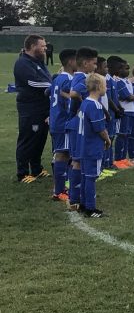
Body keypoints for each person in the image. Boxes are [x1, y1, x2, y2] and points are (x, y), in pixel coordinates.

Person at [13, 34, 52, 183]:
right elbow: (32, 83)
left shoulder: (39, 62)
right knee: (28, 139)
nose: (45, 48)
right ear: (33, 46)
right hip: (30, 108)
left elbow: (47, 79)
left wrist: (53, 82)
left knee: (40, 138)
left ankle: (36, 168)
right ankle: (22, 173)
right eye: (42, 46)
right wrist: (54, 86)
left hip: (43, 107)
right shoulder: (22, 63)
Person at [65, 47, 98, 207]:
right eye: (94, 63)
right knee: (77, 161)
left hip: (77, 124)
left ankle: (77, 196)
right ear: (85, 63)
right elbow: (72, 93)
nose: (95, 66)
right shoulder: (82, 77)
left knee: (79, 160)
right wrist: (82, 105)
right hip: (76, 124)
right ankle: (74, 198)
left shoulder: (81, 76)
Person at [78, 72, 112, 218]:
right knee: (91, 177)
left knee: (85, 175)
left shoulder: (85, 102)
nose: (107, 88)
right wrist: (108, 139)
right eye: (105, 85)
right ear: (98, 87)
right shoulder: (95, 105)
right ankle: (91, 209)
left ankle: (83, 204)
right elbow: (99, 128)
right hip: (92, 146)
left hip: (83, 145)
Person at [48, 48, 76, 200]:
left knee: (64, 153)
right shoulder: (68, 80)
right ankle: (58, 191)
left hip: (57, 121)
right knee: (63, 154)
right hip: (64, 122)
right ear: (71, 62)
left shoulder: (58, 78)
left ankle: (60, 188)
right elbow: (68, 102)